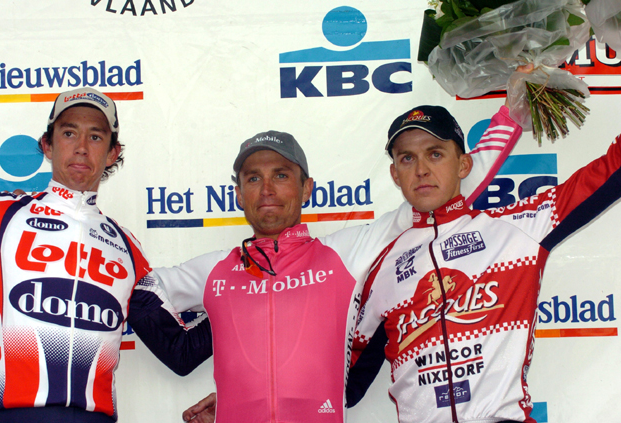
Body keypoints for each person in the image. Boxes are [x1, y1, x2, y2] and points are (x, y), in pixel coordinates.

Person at [153, 103, 521, 423]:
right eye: (253, 178)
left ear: (307, 188)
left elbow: (442, 189)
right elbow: (141, 290)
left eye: (281, 175)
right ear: (238, 193)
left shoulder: (344, 252)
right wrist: (203, 346)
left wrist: (513, 112)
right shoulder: (217, 269)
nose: (267, 189)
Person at [349, 102, 621, 422]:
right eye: (407, 158)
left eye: (435, 153)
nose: (421, 169)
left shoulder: (518, 229)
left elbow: (610, 170)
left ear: (464, 165)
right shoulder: (381, 268)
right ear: (395, 173)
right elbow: (347, 386)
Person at [0, 87, 212, 423]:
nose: (81, 147)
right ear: (48, 145)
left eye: (96, 137)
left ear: (113, 153)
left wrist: (246, 303)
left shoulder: (127, 248)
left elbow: (179, 351)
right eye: (69, 133)